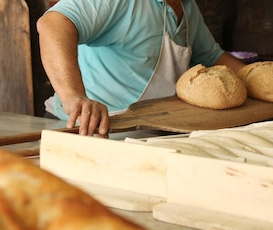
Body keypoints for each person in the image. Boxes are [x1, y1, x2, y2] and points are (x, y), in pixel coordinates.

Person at [37, 0, 246, 137]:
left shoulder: (187, 6)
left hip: (149, 131)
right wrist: (73, 96)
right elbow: (54, 23)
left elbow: (212, 57)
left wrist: (256, 75)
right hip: (87, 132)